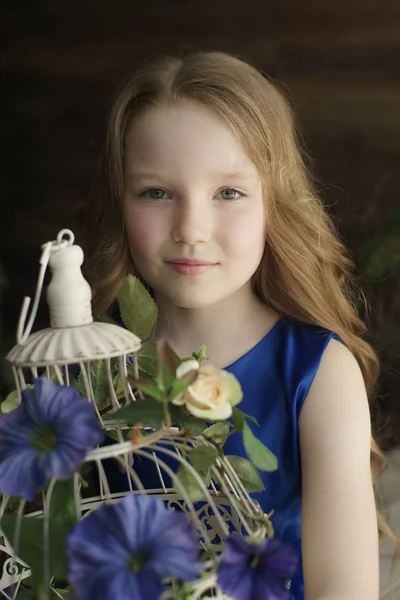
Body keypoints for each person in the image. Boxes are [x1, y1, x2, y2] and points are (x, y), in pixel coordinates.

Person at [82, 51, 398, 600]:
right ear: (121, 202)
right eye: (157, 192)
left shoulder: (318, 375)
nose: (191, 229)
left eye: (228, 193)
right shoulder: (93, 371)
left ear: (272, 205)